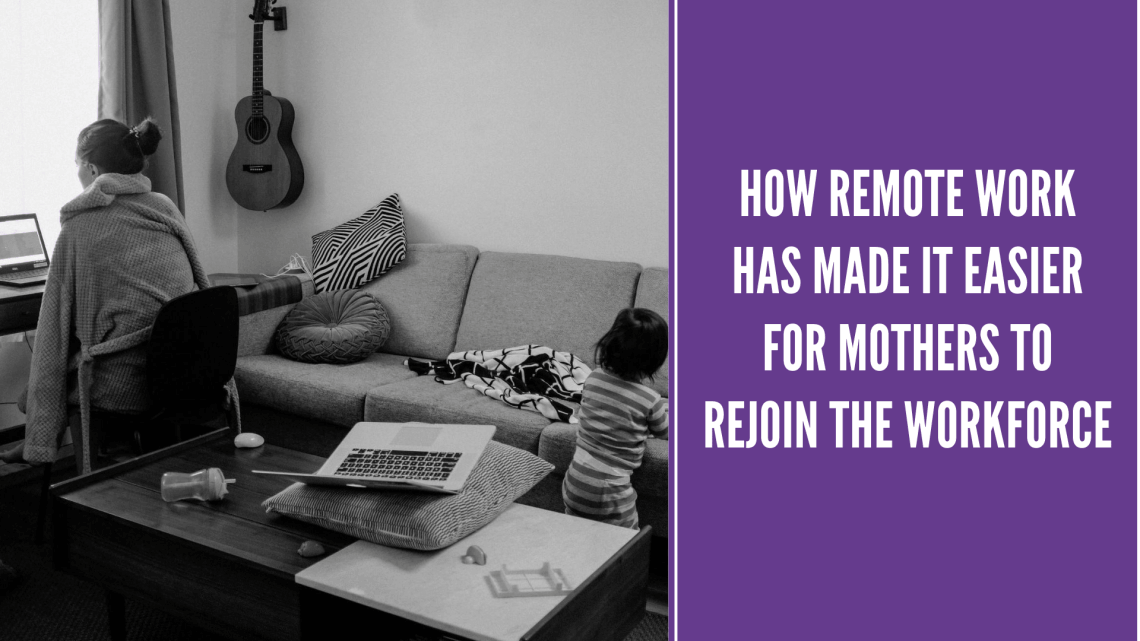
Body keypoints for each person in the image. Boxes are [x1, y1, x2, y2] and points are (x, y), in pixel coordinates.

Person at [0, 117, 209, 471]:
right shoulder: (164, 207)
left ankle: (45, 448)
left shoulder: (79, 227)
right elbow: (201, 282)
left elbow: (52, 334)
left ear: (92, 169)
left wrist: (39, 433)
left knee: (60, 352)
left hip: (126, 382)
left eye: (76, 164)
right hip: (187, 366)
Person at [562, 307, 669, 529]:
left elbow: (608, 413)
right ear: (655, 359)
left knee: (576, 534)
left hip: (574, 478)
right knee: (627, 542)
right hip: (609, 491)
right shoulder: (649, 399)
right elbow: (666, 432)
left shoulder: (594, 378)